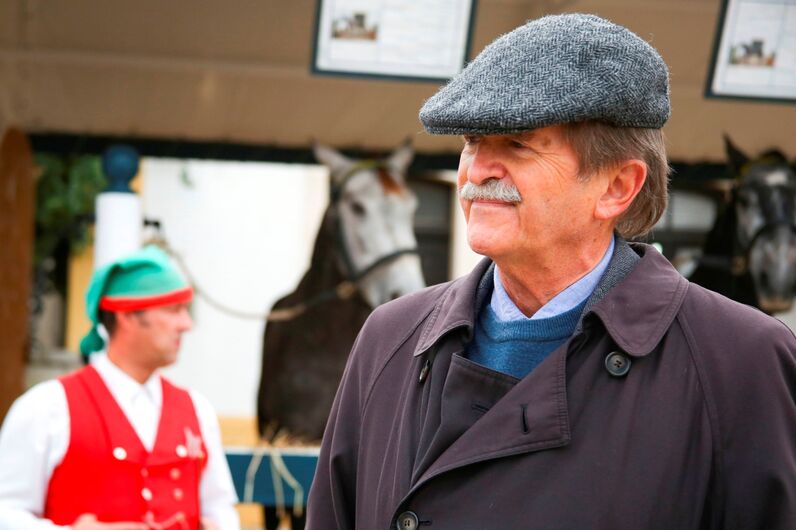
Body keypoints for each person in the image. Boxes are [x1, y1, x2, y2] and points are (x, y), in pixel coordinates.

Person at [306, 13, 796, 530]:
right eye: (472, 141)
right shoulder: (389, 340)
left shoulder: (742, 363)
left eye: (517, 144)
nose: (477, 171)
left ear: (617, 187)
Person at [0, 245, 240, 530]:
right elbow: (5, 513)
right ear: (126, 315)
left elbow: (220, 509)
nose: (186, 324)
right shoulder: (46, 407)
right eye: (173, 309)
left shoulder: (197, 409)